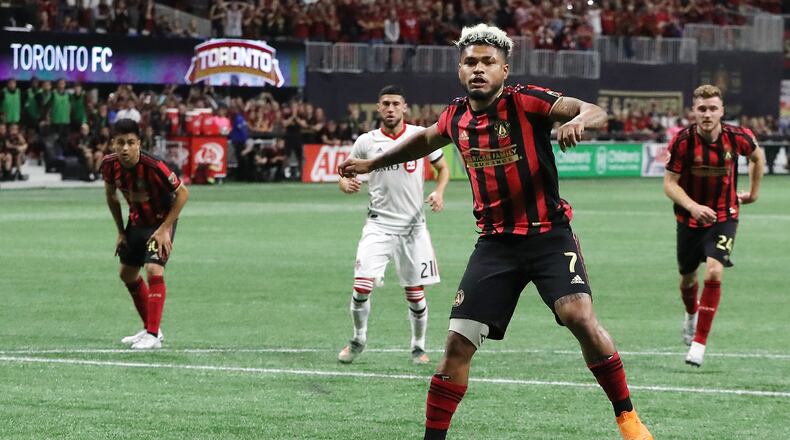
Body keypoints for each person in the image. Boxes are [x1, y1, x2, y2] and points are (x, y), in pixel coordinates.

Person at [338, 24, 653, 440]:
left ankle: (627, 417)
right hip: (495, 245)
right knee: (456, 346)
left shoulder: (527, 101)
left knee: (577, 315)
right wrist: (371, 164)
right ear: (460, 70)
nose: (479, 69)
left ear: (504, 69)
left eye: (488, 62)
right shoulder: (455, 115)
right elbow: (425, 141)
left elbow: (594, 109)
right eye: (471, 62)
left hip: (548, 235)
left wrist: (579, 121)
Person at [337, 85, 450, 366]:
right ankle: (358, 339)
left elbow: (442, 168)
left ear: (404, 107)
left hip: (413, 228)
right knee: (361, 287)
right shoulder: (366, 141)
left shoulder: (418, 136)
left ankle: (417, 347)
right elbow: (344, 172)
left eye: (395, 104)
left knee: (414, 293)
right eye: (385, 103)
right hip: (378, 225)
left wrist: (439, 191)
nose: (390, 108)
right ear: (378, 108)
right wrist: (345, 183)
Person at [663, 84, 764, 367]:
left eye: (712, 109)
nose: (707, 114)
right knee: (687, 277)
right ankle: (691, 315)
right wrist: (693, 207)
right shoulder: (682, 142)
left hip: (725, 214)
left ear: (722, 111)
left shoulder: (737, 137)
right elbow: (669, 184)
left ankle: (699, 344)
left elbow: (757, 157)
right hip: (688, 219)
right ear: (693, 111)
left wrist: (754, 193)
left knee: (715, 270)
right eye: (702, 109)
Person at [101, 119, 189, 350]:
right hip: (137, 222)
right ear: (113, 144)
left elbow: (182, 194)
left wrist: (164, 230)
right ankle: (152, 328)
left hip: (161, 221)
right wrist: (120, 231)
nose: (125, 148)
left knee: (153, 269)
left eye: (131, 142)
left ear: (139, 143)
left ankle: (152, 335)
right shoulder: (109, 165)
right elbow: (111, 197)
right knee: (127, 274)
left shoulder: (155, 166)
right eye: (120, 143)